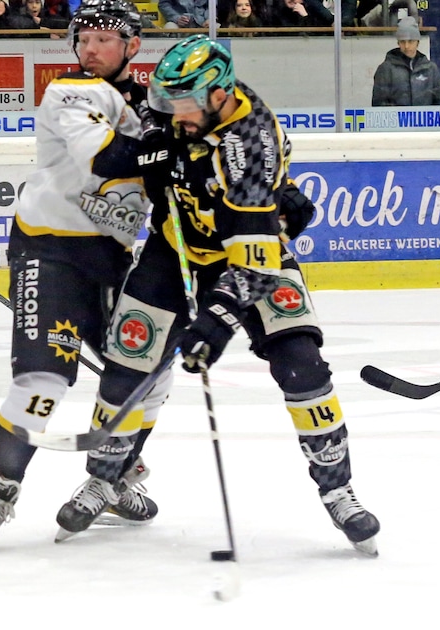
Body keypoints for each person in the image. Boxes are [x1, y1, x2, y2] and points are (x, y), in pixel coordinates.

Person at [69, 34, 380, 555]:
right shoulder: (183, 106)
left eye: (183, 105)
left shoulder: (250, 147)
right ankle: (108, 478)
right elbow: (136, 110)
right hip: (176, 248)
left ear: (218, 95)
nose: (175, 114)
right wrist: (151, 142)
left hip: (249, 252)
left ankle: (337, 489)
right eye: (170, 103)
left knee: (300, 361)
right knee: (128, 361)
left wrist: (213, 325)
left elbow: (254, 266)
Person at [0, 0, 167, 549]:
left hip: (112, 258)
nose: (90, 49)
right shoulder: (70, 91)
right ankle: (1, 489)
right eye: (83, 39)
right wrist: (167, 148)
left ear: (132, 46)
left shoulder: (155, 103)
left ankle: (113, 477)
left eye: (104, 39)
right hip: (49, 251)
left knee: (150, 372)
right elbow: (104, 157)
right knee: (43, 382)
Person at [372, 16, 440, 107]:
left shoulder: (430, 69)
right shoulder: (386, 69)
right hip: (396, 116)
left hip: (423, 116)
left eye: (410, 41)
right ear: (398, 43)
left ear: (417, 42)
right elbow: (379, 105)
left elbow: (439, 105)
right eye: (402, 42)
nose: (406, 46)